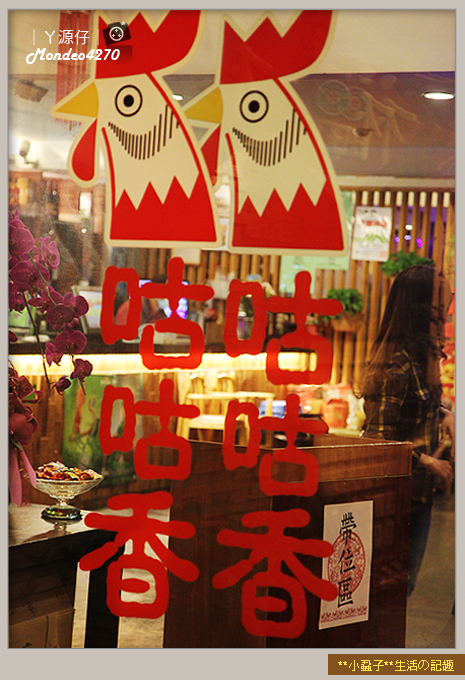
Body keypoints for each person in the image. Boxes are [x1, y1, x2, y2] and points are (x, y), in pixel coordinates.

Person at [360, 265, 454, 596]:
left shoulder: (421, 359)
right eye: (442, 303)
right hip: (395, 497)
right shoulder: (397, 365)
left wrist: (444, 413)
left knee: (402, 589)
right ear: (422, 308)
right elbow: (377, 439)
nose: (446, 310)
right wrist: (427, 461)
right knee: (387, 593)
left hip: (419, 494)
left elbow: (414, 407)